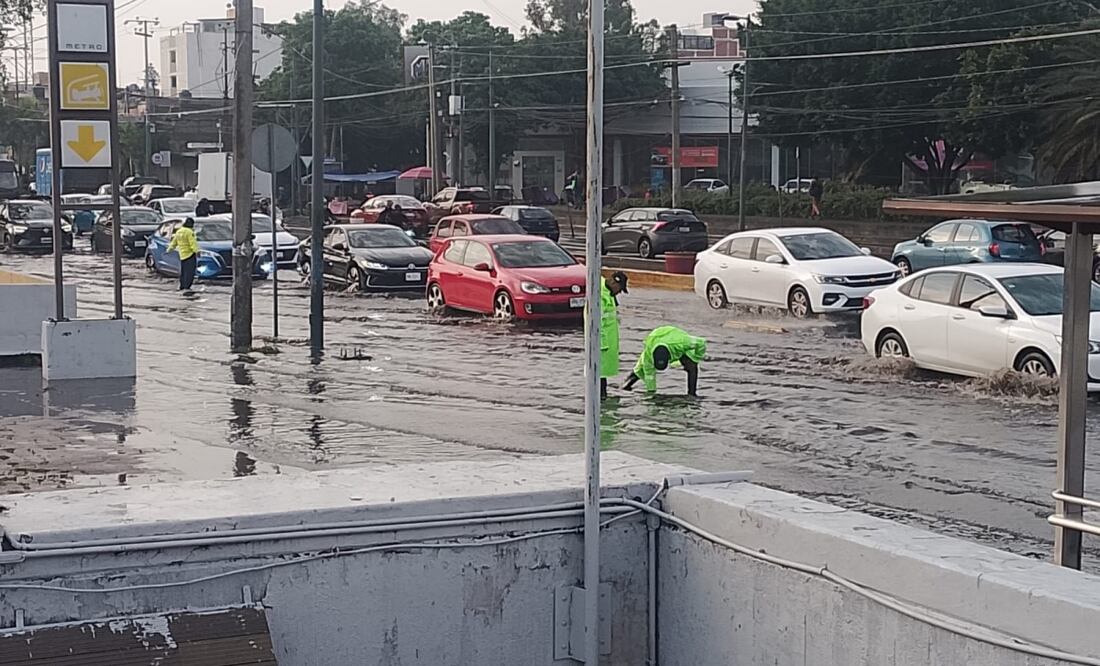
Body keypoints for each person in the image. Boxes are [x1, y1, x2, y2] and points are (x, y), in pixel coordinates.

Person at [622, 326, 707, 396]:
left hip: (674, 339)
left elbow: (702, 343)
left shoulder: (682, 342)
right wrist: (651, 394)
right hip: (653, 340)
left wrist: (696, 358)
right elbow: (649, 376)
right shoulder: (648, 358)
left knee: (691, 365)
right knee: (639, 370)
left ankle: (692, 394)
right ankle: (624, 387)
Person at [599, 271, 629, 399]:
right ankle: (601, 398)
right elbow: (594, 321)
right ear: (612, 282)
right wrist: (600, 342)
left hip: (607, 342)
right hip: (601, 344)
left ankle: (603, 396)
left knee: (603, 374)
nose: (619, 292)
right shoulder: (600, 294)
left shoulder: (609, 293)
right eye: (619, 289)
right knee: (599, 375)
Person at [167, 218, 201, 293]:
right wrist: (197, 251)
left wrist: (169, 250)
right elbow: (192, 243)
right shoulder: (189, 232)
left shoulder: (179, 231)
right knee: (190, 272)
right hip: (190, 254)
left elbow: (174, 242)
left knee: (184, 271)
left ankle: (182, 285)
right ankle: (187, 287)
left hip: (182, 255)